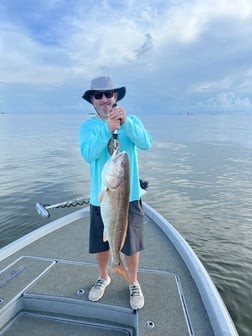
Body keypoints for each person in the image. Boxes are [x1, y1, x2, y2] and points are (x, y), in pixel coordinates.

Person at [79, 76, 152, 310]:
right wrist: (106, 129)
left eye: (108, 94)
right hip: (101, 197)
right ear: (92, 99)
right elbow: (88, 155)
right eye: (98, 95)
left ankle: (133, 281)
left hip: (129, 197)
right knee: (101, 244)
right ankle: (104, 276)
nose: (104, 99)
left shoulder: (132, 121)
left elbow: (146, 143)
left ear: (116, 96)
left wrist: (126, 122)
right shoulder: (88, 127)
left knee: (131, 244)